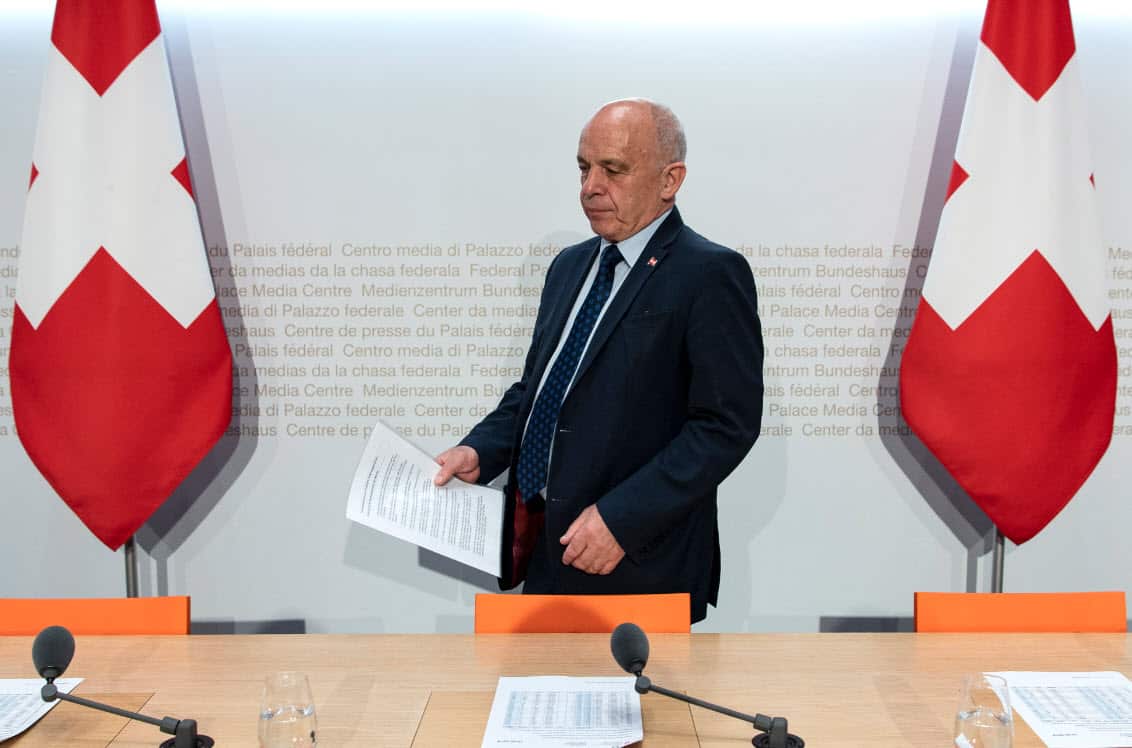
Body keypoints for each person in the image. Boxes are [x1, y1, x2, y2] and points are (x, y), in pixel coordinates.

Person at [434, 99, 763, 623]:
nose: (590, 186)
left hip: (635, 559)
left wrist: (620, 519)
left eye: (614, 169)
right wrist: (481, 449)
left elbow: (726, 426)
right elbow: (541, 390)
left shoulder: (710, 273)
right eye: (585, 168)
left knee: (642, 708)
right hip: (546, 549)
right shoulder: (569, 267)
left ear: (669, 179)